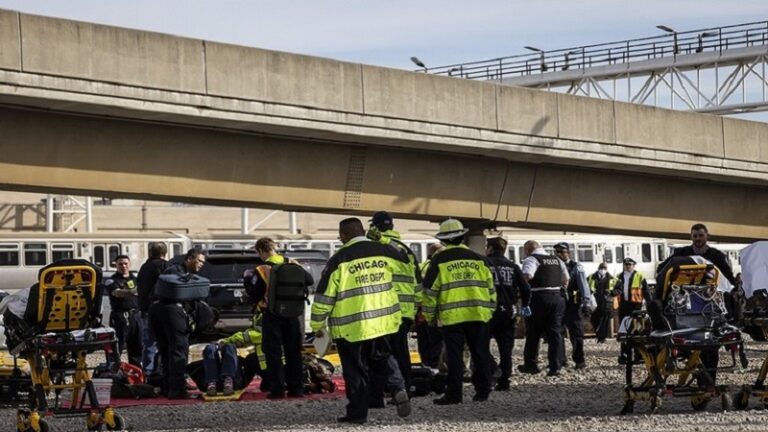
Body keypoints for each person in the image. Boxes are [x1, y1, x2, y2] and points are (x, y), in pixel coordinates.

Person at [310, 218, 411, 424]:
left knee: (355, 371)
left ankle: (357, 414)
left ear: (344, 236)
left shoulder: (339, 259)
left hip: (351, 327)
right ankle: (398, 386)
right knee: (383, 358)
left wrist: (317, 325)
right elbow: (405, 260)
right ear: (363, 231)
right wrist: (384, 240)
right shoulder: (384, 251)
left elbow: (324, 298)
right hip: (382, 321)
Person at [422, 218, 496, 404]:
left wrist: (429, 316)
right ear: (462, 237)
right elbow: (491, 289)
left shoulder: (439, 259)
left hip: (452, 316)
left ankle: (454, 394)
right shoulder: (479, 259)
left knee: (454, 356)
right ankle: (483, 391)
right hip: (479, 314)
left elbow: (430, 292)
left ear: (444, 241)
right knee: (480, 352)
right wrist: (489, 312)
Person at [248, 237, 313, 399]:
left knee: (273, 352)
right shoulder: (293, 263)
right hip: (294, 315)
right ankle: (296, 388)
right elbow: (309, 281)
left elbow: (255, 293)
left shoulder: (262, 269)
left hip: (272, 314)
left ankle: (277, 389)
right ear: (274, 248)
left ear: (261, 251)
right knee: (294, 352)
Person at [367, 211, 421, 401]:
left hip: (385, 308)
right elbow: (417, 282)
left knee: (379, 353)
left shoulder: (376, 247)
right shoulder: (405, 248)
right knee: (401, 352)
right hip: (405, 310)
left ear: (375, 227)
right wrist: (415, 309)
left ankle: (380, 392)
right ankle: (405, 387)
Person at [149, 247, 207, 399]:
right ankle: (177, 389)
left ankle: (167, 387)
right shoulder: (177, 273)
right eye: (199, 261)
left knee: (167, 350)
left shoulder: (172, 271)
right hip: (171, 312)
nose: (201, 265)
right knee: (178, 349)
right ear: (189, 259)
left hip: (158, 310)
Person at [485, 236, 530, 390]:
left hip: (488, 311)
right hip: (509, 312)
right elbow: (526, 289)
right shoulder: (513, 266)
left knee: (480, 344)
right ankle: (504, 382)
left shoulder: (484, 264)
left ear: (490, 248)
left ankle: (492, 369)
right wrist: (525, 305)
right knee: (506, 349)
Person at [518, 240, 568, 377]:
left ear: (528, 249)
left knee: (533, 332)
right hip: (557, 298)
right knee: (555, 333)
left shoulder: (532, 259)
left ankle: (531, 365)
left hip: (538, 298)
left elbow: (528, 275)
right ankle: (555, 366)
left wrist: (520, 287)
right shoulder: (557, 260)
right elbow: (565, 279)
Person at [198, 312, 267, 397]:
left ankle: (212, 383)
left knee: (212, 348)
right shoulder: (262, 315)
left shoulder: (262, 316)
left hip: (212, 383)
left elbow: (254, 335)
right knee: (223, 347)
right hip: (233, 383)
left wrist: (225, 341)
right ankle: (226, 381)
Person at [553, 242, 592, 370]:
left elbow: (584, 286)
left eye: (563, 252)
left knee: (577, 333)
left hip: (573, 304)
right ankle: (560, 360)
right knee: (558, 332)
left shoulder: (576, 267)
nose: (560, 255)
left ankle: (579, 360)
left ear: (568, 253)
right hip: (559, 303)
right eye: (557, 252)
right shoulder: (554, 266)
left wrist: (586, 303)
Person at [137, 242, 169, 376]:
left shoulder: (144, 267)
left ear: (150, 252)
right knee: (165, 341)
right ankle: (161, 371)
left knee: (149, 342)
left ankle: (147, 372)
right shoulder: (165, 266)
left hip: (145, 309)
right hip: (161, 309)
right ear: (165, 253)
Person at [104, 255, 142, 366]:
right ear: (115, 265)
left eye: (125, 263)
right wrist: (133, 291)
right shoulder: (112, 280)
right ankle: (112, 370)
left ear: (129, 265)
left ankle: (136, 373)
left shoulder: (135, 279)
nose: (123, 266)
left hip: (135, 316)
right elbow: (117, 293)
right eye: (120, 264)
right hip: (120, 317)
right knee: (117, 346)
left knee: (137, 347)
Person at [612, 257, 649, 364]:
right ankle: (624, 355)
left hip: (636, 306)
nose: (628, 266)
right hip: (623, 306)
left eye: (630, 264)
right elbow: (614, 289)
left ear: (634, 265)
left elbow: (646, 292)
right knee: (624, 331)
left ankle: (638, 355)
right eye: (626, 264)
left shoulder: (640, 276)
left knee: (637, 330)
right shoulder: (618, 277)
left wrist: (649, 304)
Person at [415, 243, 445, 370]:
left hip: (421, 310)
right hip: (434, 311)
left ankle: (425, 364)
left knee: (423, 341)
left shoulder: (421, 266)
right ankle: (434, 367)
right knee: (436, 341)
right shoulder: (438, 267)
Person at [587, 263, 617, 343]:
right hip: (594, 301)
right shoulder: (591, 277)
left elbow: (618, 289)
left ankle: (602, 337)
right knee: (594, 319)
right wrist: (590, 292)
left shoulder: (612, 278)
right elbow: (585, 287)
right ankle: (598, 333)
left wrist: (612, 292)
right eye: (601, 268)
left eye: (604, 268)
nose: (603, 270)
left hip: (606, 302)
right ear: (598, 268)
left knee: (605, 320)